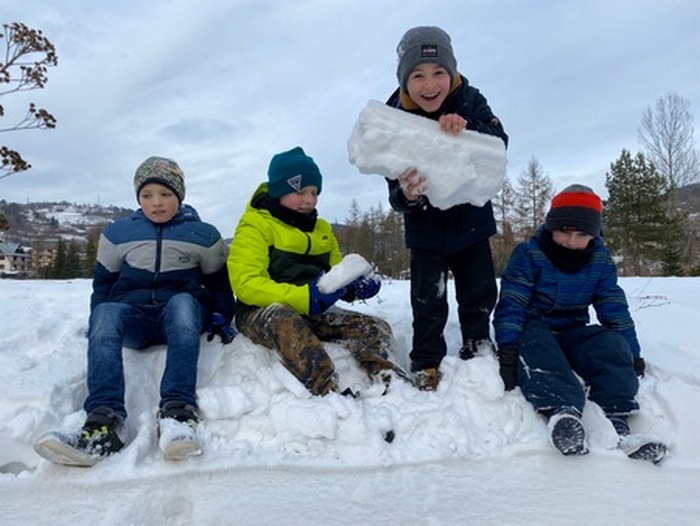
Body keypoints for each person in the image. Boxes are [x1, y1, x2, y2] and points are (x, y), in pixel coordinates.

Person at [34, 156, 235, 466]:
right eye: (147, 195)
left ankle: (178, 414)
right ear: (138, 197)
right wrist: (101, 323)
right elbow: (103, 283)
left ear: (179, 195)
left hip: (179, 316)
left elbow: (217, 282)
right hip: (135, 319)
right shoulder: (117, 234)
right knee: (106, 311)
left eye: (165, 194)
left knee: (183, 303)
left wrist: (224, 316)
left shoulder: (204, 235)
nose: (156, 203)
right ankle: (104, 420)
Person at [493, 184, 667, 463]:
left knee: (610, 345)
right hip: (532, 326)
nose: (571, 241)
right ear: (551, 228)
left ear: (593, 235)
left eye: (581, 235)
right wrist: (508, 350)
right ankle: (563, 414)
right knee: (538, 343)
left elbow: (613, 307)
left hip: (571, 330)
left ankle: (619, 425)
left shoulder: (599, 260)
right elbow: (512, 304)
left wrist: (631, 353)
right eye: (564, 232)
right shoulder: (529, 255)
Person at [384, 26, 508, 390]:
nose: (430, 84)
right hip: (425, 228)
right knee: (427, 301)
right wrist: (407, 193)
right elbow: (393, 190)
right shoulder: (393, 117)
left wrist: (470, 129)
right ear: (405, 81)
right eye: (418, 75)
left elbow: (498, 143)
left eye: (439, 72)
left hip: (471, 220)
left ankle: (478, 343)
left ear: (451, 73)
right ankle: (425, 360)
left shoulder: (469, 98)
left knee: (479, 291)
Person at [227, 146, 405, 396]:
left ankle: (392, 381)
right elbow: (246, 284)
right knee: (284, 319)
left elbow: (336, 273)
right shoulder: (255, 225)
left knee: (375, 327)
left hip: (312, 310)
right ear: (280, 189)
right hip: (260, 312)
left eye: (314, 192)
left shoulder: (321, 229)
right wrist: (304, 297)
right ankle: (326, 388)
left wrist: (353, 286)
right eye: (300, 191)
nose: (309, 199)